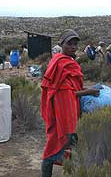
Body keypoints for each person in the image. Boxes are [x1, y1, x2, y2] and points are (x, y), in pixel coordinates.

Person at [40, 29, 100, 177]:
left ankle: (70, 171)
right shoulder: (60, 64)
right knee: (55, 145)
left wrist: (88, 89)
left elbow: (72, 88)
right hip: (61, 113)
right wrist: (89, 92)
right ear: (62, 44)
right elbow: (65, 93)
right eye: (69, 44)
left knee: (70, 144)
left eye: (75, 44)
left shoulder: (67, 62)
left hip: (69, 110)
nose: (73, 47)